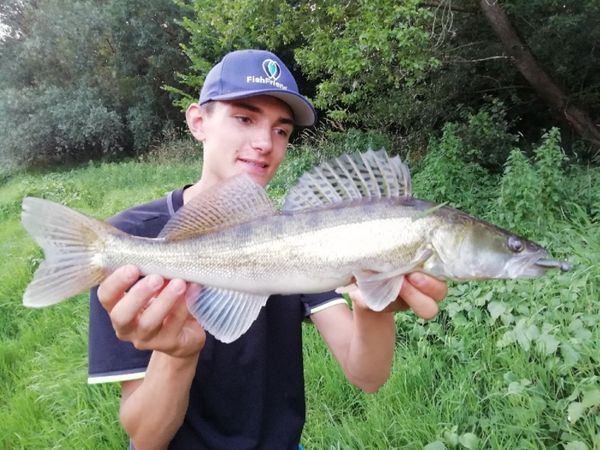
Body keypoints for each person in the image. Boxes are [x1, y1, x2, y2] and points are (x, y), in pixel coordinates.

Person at [88, 49, 448, 449]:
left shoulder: (300, 237)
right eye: (244, 118)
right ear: (198, 121)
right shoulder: (127, 239)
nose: (264, 143)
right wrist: (178, 352)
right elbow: (146, 437)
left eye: (282, 130)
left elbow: (367, 376)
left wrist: (372, 300)